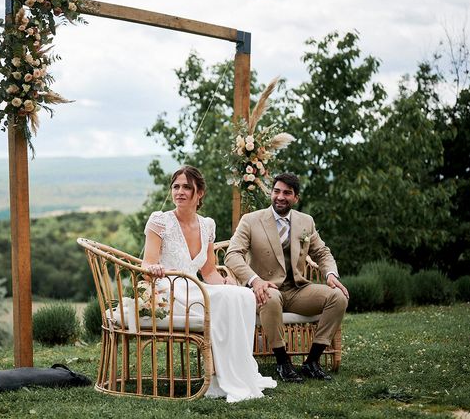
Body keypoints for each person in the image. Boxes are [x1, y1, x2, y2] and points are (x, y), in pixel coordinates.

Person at [143, 166, 276, 402]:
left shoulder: (207, 225)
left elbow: (209, 271)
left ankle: (237, 371)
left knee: (241, 295)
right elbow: (146, 266)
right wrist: (154, 269)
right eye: (176, 186)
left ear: (200, 192)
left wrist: (227, 284)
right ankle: (222, 376)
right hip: (170, 289)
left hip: (195, 287)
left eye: (186, 187)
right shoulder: (160, 221)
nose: (180, 192)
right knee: (224, 298)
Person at [225, 172, 349, 382]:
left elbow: (322, 252)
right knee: (270, 298)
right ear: (271, 193)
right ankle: (283, 363)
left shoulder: (305, 221)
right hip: (265, 289)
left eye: (287, 193)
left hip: (297, 289)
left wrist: (330, 274)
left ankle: (312, 362)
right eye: (276, 191)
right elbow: (232, 254)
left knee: (338, 297)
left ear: (295, 198)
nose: (280, 196)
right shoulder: (251, 220)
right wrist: (255, 281)